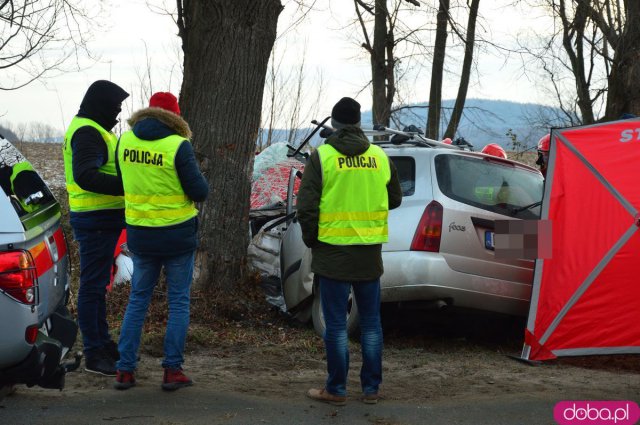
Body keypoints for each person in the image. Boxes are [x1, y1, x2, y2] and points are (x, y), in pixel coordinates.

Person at [297, 97, 402, 406]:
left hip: (332, 254)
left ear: (334, 123)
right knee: (371, 323)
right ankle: (372, 389)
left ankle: (336, 389)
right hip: (369, 254)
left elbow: (306, 207)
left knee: (336, 324)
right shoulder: (380, 157)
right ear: (358, 122)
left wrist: (312, 240)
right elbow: (394, 198)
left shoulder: (323, 157)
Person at [114, 92, 208, 391]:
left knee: (138, 300)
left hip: (141, 235)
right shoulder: (178, 145)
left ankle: (125, 370)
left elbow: (122, 179)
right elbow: (199, 191)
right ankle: (172, 371)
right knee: (178, 302)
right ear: (175, 117)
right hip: (177, 236)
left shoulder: (125, 141)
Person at [63, 80, 129, 376]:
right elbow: (86, 176)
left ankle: (103, 344)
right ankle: (93, 353)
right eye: (114, 108)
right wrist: (129, 185)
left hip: (101, 219)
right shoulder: (88, 132)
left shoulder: (93, 128)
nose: (117, 114)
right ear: (101, 105)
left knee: (97, 286)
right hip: (96, 220)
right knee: (92, 287)